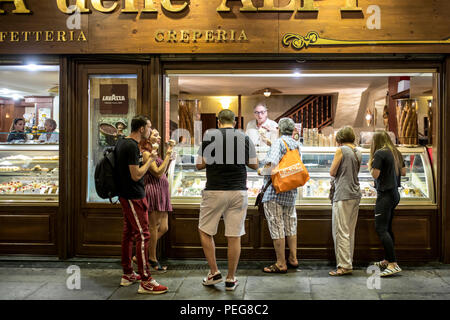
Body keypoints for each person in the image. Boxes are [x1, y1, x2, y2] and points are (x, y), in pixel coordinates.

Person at [196, 109, 258, 291]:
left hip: (214, 190)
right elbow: (254, 164)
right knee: (234, 235)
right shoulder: (244, 137)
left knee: (205, 231)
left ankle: (214, 272)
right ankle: (231, 278)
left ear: (218, 122)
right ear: (235, 122)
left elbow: (199, 164)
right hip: (238, 190)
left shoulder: (210, 137)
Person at [115, 115, 168, 294]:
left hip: (127, 195)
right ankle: (146, 280)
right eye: (149, 127)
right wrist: (152, 160)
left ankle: (128, 273)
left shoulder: (122, 143)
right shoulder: (131, 146)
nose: (151, 130)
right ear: (141, 129)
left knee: (128, 234)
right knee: (144, 235)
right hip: (133, 196)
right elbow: (136, 175)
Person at [258, 118, 300, 273]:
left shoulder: (278, 143)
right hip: (290, 191)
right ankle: (293, 258)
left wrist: (261, 170)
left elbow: (271, 165)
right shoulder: (295, 144)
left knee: (277, 227)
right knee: (290, 226)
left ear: (280, 129)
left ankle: (281, 263)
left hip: (275, 192)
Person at [134, 129, 174, 271]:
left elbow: (163, 171)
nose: (159, 137)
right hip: (153, 191)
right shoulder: (145, 153)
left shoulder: (154, 153)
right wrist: (169, 153)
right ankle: (152, 259)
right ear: (147, 138)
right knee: (153, 226)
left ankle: (140, 253)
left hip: (162, 191)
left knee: (163, 227)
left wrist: (169, 157)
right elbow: (157, 173)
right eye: (155, 135)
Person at [369, 130, 406, 277]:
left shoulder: (379, 153)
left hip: (385, 195)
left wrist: (371, 164)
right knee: (387, 228)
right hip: (395, 194)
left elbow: (375, 174)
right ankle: (387, 259)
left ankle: (393, 263)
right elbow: (403, 172)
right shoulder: (395, 151)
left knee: (381, 229)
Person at [328, 126, 362, 276]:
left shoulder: (341, 150)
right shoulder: (358, 151)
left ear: (339, 139)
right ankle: (348, 261)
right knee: (349, 231)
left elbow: (332, 172)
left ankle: (344, 266)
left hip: (343, 194)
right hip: (355, 193)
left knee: (341, 231)